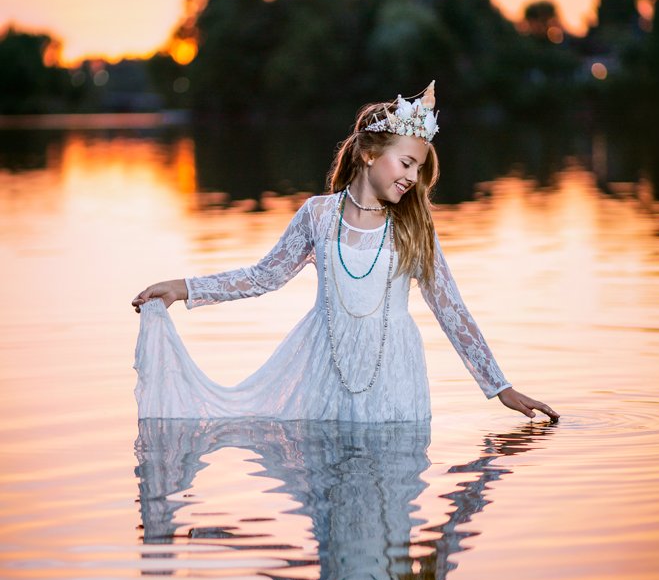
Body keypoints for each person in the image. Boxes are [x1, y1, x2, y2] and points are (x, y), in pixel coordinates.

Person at [131, 81, 559, 423]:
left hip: (394, 374)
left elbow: (450, 308)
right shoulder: (318, 216)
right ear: (370, 154)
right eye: (406, 163)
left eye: (419, 168)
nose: (413, 177)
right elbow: (265, 276)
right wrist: (183, 288)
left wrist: (500, 387)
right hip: (325, 368)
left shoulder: (413, 225)